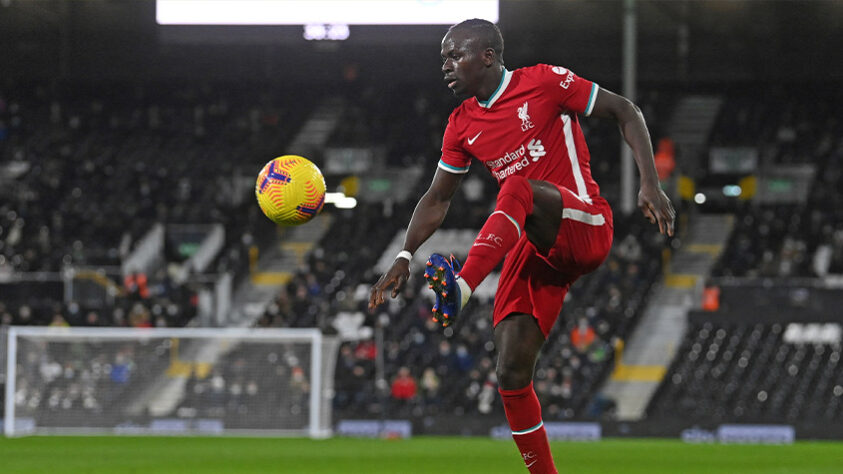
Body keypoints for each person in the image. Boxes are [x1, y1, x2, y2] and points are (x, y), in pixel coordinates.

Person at [369, 19, 674, 473]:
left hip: (584, 223)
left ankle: (463, 287)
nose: (446, 67)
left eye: (455, 56)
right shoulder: (460, 124)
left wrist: (650, 183)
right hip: (536, 245)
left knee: (515, 186)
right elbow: (437, 198)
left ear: (487, 56)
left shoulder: (546, 83)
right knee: (511, 371)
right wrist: (404, 254)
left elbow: (625, 110)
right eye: (443, 59)